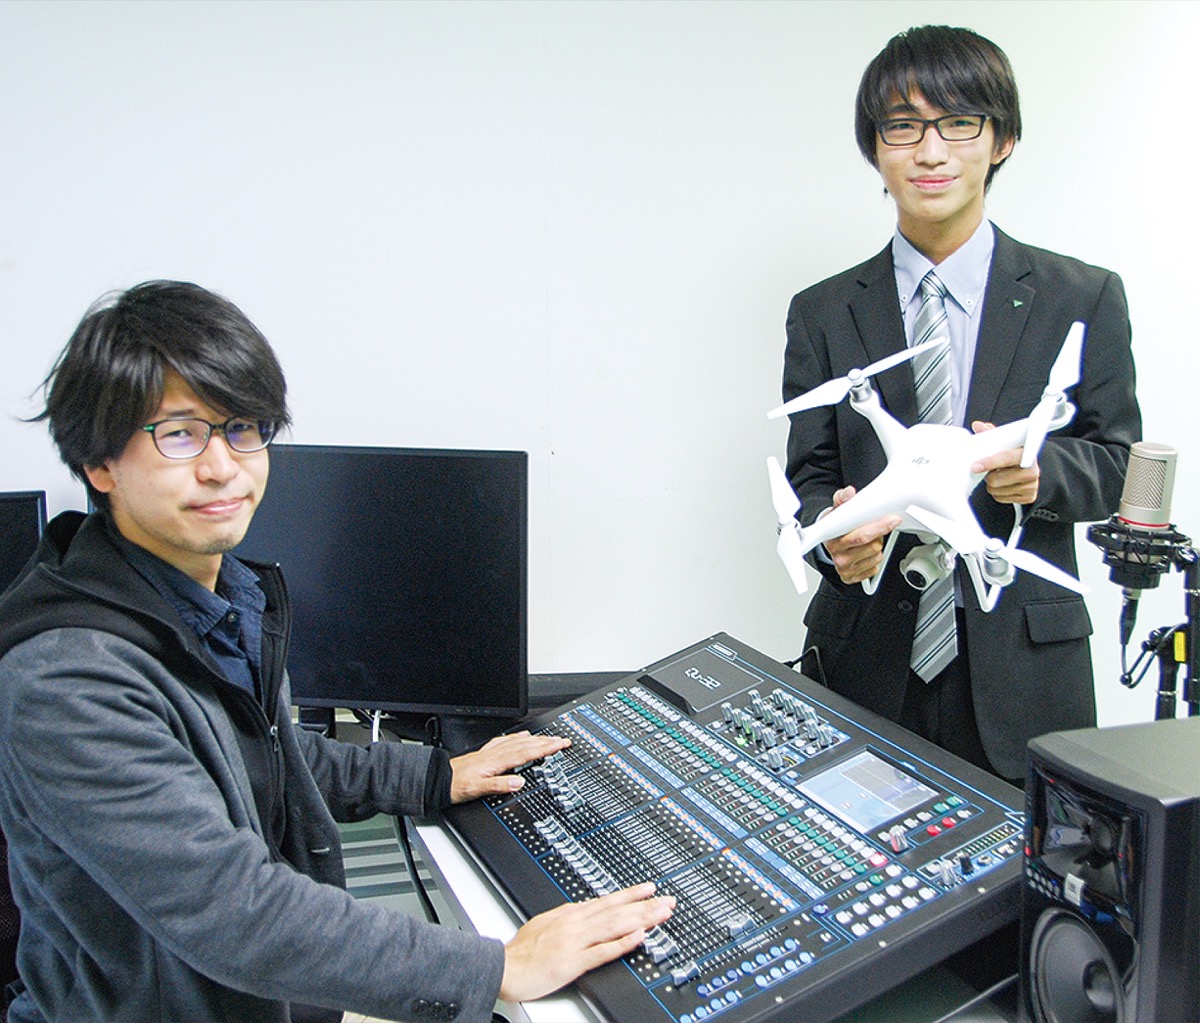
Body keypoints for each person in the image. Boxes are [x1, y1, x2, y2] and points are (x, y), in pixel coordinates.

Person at [0, 281, 674, 1023]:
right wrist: (498, 967)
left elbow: (265, 760)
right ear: (99, 463)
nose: (223, 466)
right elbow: (231, 911)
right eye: (181, 435)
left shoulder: (214, 598)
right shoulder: (68, 677)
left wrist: (435, 775)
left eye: (242, 428)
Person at [780, 25, 1141, 784]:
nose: (931, 152)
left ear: (1002, 139)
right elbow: (810, 476)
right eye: (903, 127)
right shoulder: (822, 312)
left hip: (1024, 672)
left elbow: (1117, 466)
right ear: (874, 147)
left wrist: (1039, 474)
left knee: (1033, 863)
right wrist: (832, 541)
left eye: (958, 123)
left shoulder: (1082, 297)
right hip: (863, 658)